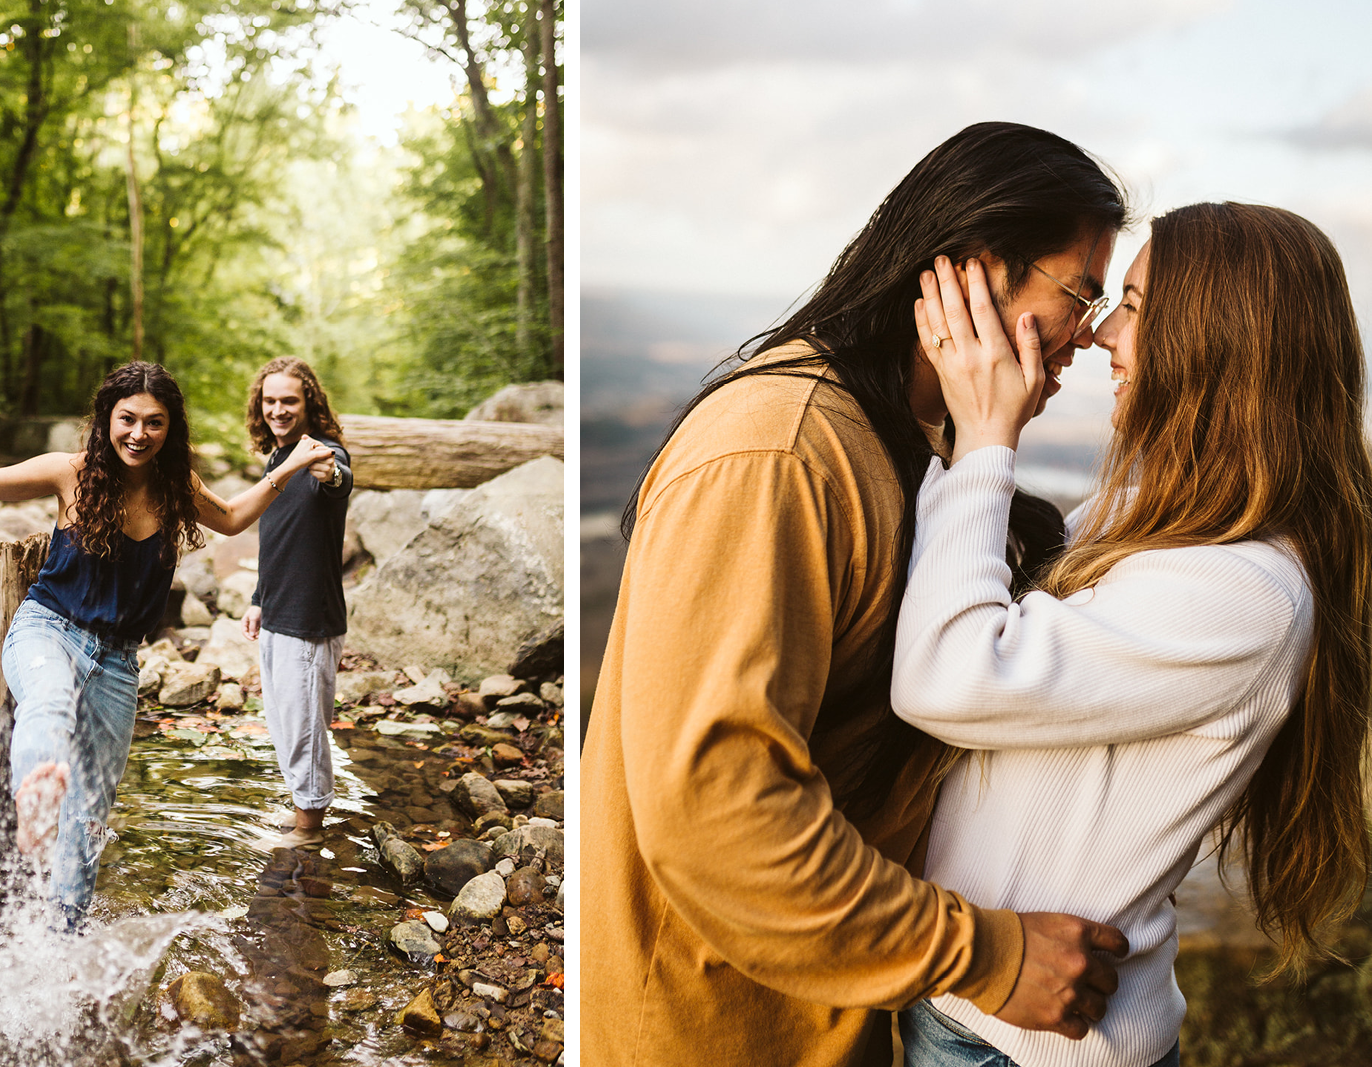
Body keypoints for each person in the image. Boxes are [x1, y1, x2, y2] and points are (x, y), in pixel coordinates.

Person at [582, 122, 1134, 1067]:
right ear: (972, 269)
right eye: (1081, 291)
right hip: (711, 1031)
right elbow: (720, 809)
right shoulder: (780, 449)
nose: (1090, 333)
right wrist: (988, 956)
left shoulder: (919, 448)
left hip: (825, 1021)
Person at [894, 202, 1372, 1067]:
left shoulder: (1244, 590)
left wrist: (984, 436)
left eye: (1139, 307)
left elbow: (945, 676)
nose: (1106, 331)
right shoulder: (1167, 513)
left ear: (1216, 339)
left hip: (1028, 1046)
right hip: (981, 1014)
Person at [0, 360, 338, 928]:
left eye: (154, 423)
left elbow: (234, 519)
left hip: (118, 665)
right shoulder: (69, 472)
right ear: (106, 419)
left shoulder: (177, 485)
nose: (138, 434)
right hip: (47, 631)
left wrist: (289, 466)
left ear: (171, 430)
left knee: (92, 813)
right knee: (46, 703)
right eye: (127, 419)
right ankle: (36, 794)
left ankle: (63, 930)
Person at [238, 356, 352, 849]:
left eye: (289, 400)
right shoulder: (277, 461)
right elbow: (276, 538)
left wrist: (325, 469)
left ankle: (309, 834)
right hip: (278, 612)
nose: (278, 410)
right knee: (285, 723)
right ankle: (303, 813)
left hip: (310, 619)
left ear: (309, 403)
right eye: (270, 401)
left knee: (304, 728)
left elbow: (338, 476)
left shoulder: (323, 453)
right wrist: (258, 598)